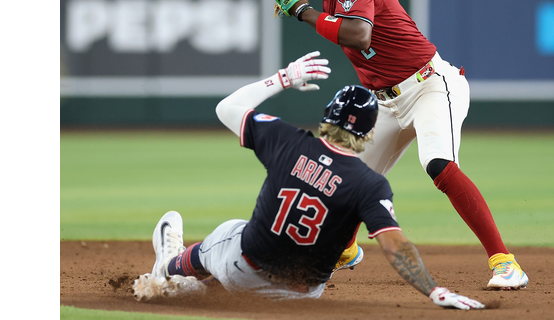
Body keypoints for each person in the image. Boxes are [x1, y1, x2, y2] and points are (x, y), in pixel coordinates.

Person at [266, 0, 529, 290]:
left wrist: (303, 11)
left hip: (429, 85)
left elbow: (358, 36)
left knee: (438, 164)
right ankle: (345, 249)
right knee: (344, 176)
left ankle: (505, 262)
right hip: (384, 100)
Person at [132, 51, 485, 309]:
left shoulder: (288, 141)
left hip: (245, 269)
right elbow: (395, 246)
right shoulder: (369, 183)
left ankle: (169, 267)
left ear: (326, 117)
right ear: (369, 133)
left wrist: (284, 78)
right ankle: (194, 285)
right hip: (302, 297)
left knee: (230, 232)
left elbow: (226, 108)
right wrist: (434, 291)